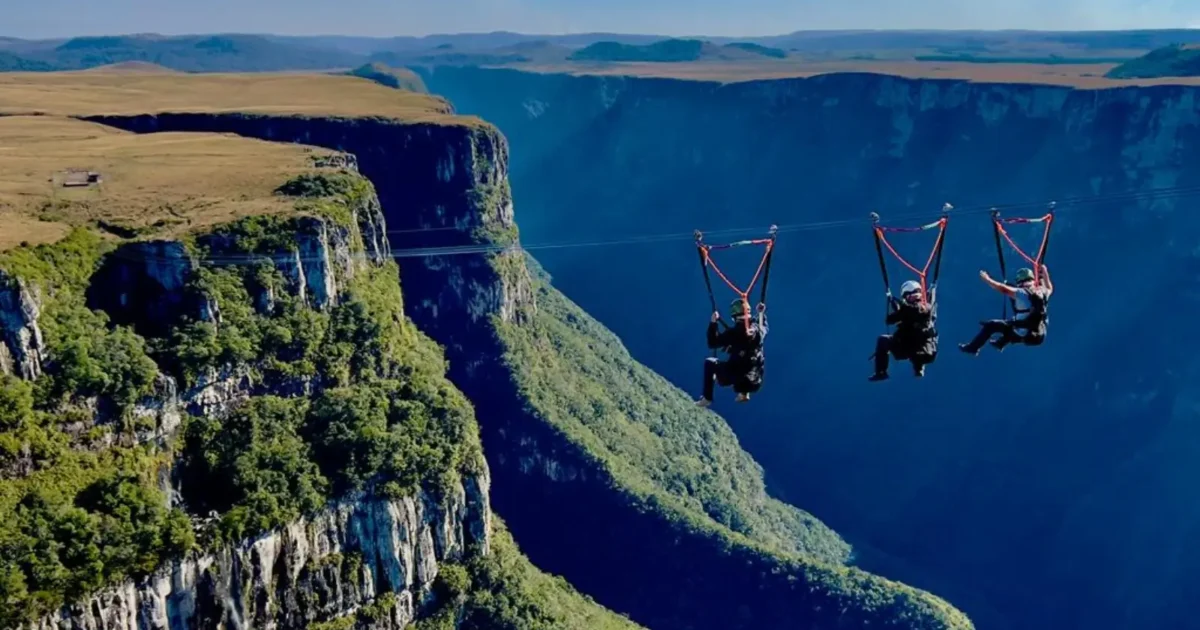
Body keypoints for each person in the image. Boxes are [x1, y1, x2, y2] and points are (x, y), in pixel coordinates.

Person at [959, 265, 1053, 355]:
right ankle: (1000, 343)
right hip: (1039, 335)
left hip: (1023, 333)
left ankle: (973, 348)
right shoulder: (1043, 292)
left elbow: (1003, 289)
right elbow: (1049, 287)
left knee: (992, 325)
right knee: (1009, 325)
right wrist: (1044, 271)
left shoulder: (1021, 293)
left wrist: (987, 279)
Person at [696, 298, 767, 407]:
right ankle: (744, 393)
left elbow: (712, 343)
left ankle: (707, 398)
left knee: (710, 363)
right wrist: (761, 313)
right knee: (747, 361)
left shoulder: (733, 333)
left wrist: (713, 323)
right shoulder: (758, 331)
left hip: (737, 378)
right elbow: (762, 325)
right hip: (756, 382)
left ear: (734, 316)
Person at [868, 280, 938, 381]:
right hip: (925, 351)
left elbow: (890, 319)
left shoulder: (910, 309)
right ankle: (919, 368)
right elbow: (910, 313)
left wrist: (893, 302)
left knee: (883, 340)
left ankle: (881, 372)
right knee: (916, 335)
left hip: (911, 350)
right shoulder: (928, 306)